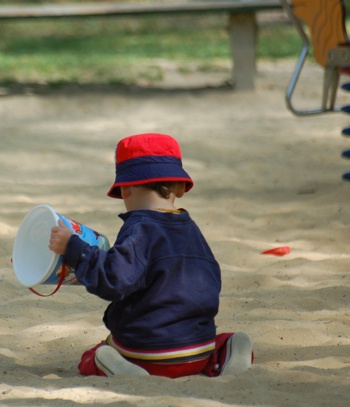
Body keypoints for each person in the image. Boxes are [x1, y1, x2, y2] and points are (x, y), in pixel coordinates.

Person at [48, 133, 253, 378]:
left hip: (149, 353)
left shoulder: (139, 229)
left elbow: (113, 280)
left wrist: (73, 247)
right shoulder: (191, 228)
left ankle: (122, 368)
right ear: (179, 187)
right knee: (215, 343)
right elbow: (211, 278)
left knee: (94, 356)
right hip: (197, 348)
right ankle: (228, 349)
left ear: (124, 191)